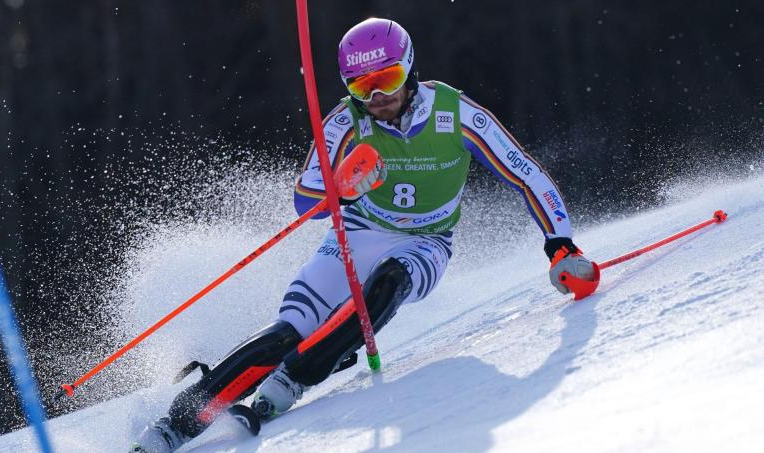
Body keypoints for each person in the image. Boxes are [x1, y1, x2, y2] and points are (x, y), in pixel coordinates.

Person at [131, 17, 594, 453]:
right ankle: (173, 427)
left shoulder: (456, 112)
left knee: (389, 283)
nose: (377, 95)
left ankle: (295, 378)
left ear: (409, 67)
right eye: (361, 85)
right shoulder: (344, 122)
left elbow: (526, 174)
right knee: (285, 334)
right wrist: (341, 188)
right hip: (354, 233)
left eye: (387, 79)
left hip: (425, 241)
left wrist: (561, 246)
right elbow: (304, 201)